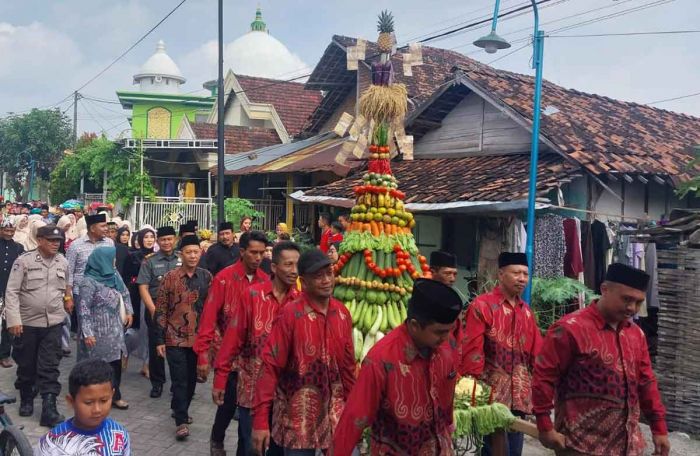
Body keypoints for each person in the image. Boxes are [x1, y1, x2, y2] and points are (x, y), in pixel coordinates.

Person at [533, 263, 670, 456]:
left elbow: (646, 381)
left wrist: (659, 428)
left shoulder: (636, 334)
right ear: (604, 289)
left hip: (628, 444)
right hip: (581, 445)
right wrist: (545, 426)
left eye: (638, 302)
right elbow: (543, 377)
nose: (632, 307)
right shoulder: (570, 329)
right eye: (626, 299)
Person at [332, 279, 463, 455]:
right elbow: (355, 417)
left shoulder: (446, 348)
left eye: (449, 330)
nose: (446, 338)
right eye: (440, 332)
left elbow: (447, 397)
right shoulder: (381, 359)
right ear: (415, 325)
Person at [251, 248, 356, 456]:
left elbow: (348, 367)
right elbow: (270, 367)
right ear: (304, 282)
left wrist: (354, 411)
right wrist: (261, 420)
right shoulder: (291, 315)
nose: (326, 280)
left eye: (329, 273)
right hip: (297, 417)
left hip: (335, 412)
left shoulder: (342, 313)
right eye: (318, 276)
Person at [213, 241, 301, 455]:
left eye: (297, 265)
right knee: (251, 445)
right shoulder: (253, 296)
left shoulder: (300, 302)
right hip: (252, 388)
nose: (294, 271)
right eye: (288, 265)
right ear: (274, 267)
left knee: (279, 449)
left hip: (287, 393)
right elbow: (233, 339)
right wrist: (221, 378)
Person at [193, 230, 269, 456]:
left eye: (262, 253)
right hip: (227, 355)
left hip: (255, 358)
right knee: (227, 403)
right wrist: (203, 356)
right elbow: (208, 319)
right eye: (253, 252)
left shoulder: (266, 281)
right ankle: (217, 438)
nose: (258, 258)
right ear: (242, 251)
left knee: (249, 412)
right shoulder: (223, 279)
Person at [461, 252, 542, 456]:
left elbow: (537, 355)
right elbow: (472, 353)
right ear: (501, 274)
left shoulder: (527, 312)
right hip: (491, 397)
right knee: (493, 451)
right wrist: (473, 393)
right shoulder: (482, 306)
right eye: (516, 273)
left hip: (520, 398)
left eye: (525, 273)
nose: (522, 278)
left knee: (514, 451)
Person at [5, 225, 69, 427]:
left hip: (53, 323)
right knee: (27, 364)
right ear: (39, 240)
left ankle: (49, 409)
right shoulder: (23, 261)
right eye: (51, 240)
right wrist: (14, 320)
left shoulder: (62, 261)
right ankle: (26, 397)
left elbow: (67, 285)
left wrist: (68, 298)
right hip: (28, 324)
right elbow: (12, 292)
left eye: (57, 241)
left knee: (50, 365)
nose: (55, 244)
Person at [154, 235, 212, 440]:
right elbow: (160, 309)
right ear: (181, 254)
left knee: (191, 381)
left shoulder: (206, 277)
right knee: (179, 380)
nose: (193, 255)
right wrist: (160, 340)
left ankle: (180, 408)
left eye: (196, 251)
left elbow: (211, 310)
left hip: (198, 338)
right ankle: (180, 420)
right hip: (174, 337)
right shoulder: (170, 277)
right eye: (189, 252)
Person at [36, 359, 131, 456]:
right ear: (71, 401)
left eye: (104, 401)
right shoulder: (51, 444)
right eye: (88, 402)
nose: (97, 410)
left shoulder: (119, 434)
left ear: (112, 395)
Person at [77, 247, 133, 411]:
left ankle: (115, 396)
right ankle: (90, 397)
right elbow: (84, 309)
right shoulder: (88, 282)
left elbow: (125, 293)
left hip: (115, 329)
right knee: (95, 366)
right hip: (97, 331)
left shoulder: (114, 275)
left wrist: (129, 311)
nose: (114, 261)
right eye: (112, 258)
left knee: (115, 363)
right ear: (101, 260)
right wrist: (87, 332)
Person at [137, 226, 181, 398]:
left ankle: (177, 384)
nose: (167, 242)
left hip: (178, 309)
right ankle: (157, 383)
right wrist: (154, 310)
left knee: (177, 346)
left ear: (175, 240)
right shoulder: (150, 261)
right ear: (158, 241)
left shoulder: (182, 258)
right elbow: (143, 287)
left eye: (170, 239)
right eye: (163, 239)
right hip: (156, 307)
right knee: (157, 347)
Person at [66, 213, 114, 356]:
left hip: (105, 293)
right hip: (82, 294)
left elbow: (113, 269)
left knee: (105, 328)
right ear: (92, 228)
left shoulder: (109, 244)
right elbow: (68, 273)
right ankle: (84, 364)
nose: (106, 229)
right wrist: (68, 297)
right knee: (85, 331)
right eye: (103, 226)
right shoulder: (76, 246)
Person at [122, 228, 155, 377]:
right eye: (146, 237)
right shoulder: (133, 256)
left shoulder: (157, 257)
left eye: (152, 237)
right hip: (135, 295)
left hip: (153, 296)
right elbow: (126, 276)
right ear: (140, 239)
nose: (149, 240)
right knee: (133, 330)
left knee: (149, 331)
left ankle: (146, 364)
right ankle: (125, 354)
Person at [0, 218, 24, 368]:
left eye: (11, 231)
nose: (9, 233)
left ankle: (4, 355)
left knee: (7, 324)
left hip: (10, 291)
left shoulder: (19, 248)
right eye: (6, 230)